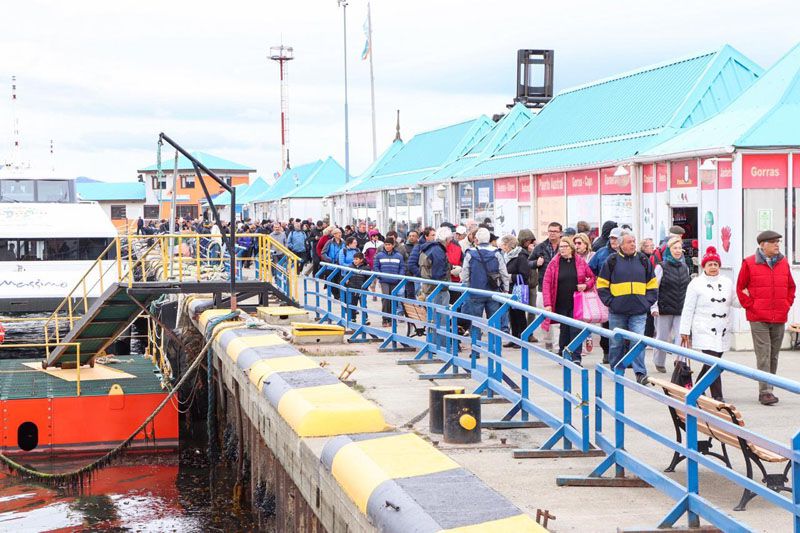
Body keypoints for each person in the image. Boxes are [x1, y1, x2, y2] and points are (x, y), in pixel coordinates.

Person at [736, 230, 796, 405]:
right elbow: (740, 288)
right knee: (764, 354)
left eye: (778, 242)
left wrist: (786, 304)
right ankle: (765, 392)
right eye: (773, 242)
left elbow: (791, 287)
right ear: (763, 245)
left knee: (774, 355)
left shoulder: (784, 262)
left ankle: (770, 387)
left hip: (779, 315)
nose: (777, 245)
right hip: (758, 317)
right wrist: (751, 306)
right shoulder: (749, 263)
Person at [597, 233, 658, 384]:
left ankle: (640, 373)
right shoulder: (611, 261)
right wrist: (611, 302)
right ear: (621, 245)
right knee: (616, 343)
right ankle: (616, 371)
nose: (633, 244)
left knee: (637, 342)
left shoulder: (643, 260)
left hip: (639, 311)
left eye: (634, 241)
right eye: (629, 242)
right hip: (617, 311)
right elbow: (602, 285)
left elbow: (652, 284)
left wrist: (646, 303)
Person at [679, 247, 739, 402]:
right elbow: (688, 308)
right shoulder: (696, 283)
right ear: (704, 266)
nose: (713, 267)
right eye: (710, 264)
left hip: (722, 329)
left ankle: (698, 388)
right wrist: (684, 330)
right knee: (714, 364)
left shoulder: (727, 282)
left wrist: (749, 298)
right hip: (704, 329)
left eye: (715, 264)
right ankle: (718, 396)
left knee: (710, 364)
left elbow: (735, 301)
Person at [542, 237, 595, 365]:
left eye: (565, 246)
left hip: (576, 302)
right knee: (564, 330)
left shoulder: (580, 262)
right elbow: (546, 284)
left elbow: (592, 278)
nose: (562, 249)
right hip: (560, 302)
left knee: (575, 329)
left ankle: (576, 357)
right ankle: (564, 354)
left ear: (571, 248)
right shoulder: (554, 263)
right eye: (561, 247)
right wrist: (547, 304)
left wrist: (585, 285)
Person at [461, 228, 510, 345]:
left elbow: (465, 274)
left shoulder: (470, 253)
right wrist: (506, 289)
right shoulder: (497, 253)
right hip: (493, 292)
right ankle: (495, 348)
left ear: (476, 239)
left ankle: (475, 348)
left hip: (475, 292)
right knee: (494, 322)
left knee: (475, 322)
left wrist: (466, 287)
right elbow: (504, 273)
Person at [651, 237, 691, 373]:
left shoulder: (685, 267)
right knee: (662, 337)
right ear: (669, 250)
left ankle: (680, 362)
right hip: (664, 307)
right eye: (675, 248)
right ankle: (659, 361)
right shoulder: (661, 267)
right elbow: (654, 288)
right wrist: (654, 306)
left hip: (681, 307)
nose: (678, 251)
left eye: (680, 248)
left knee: (681, 336)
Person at [589, 227, 624, 363]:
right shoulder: (601, 253)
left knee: (623, 325)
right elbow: (590, 269)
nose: (613, 241)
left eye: (616, 238)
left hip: (624, 295)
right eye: (612, 238)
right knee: (606, 324)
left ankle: (623, 354)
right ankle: (606, 352)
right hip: (606, 295)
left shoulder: (628, 253)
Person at [531, 222, 563, 350]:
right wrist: (536, 263)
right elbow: (528, 262)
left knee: (559, 319)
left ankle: (558, 346)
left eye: (555, 231)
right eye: (550, 231)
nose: (552, 233)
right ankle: (548, 342)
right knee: (545, 316)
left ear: (560, 233)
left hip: (560, 287)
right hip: (543, 288)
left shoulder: (565, 246)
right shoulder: (541, 247)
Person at [500, 234, 531, 343]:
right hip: (510, 289)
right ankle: (514, 339)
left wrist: (509, 277)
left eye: (504, 244)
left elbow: (525, 275)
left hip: (518, 288)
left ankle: (522, 339)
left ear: (509, 245)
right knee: (512, 314)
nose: (502, 247)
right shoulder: (506, 255)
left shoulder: (521, 256)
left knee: (519, 314)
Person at [374, 238, 405, 326]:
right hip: (384, 281)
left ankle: (391, 319)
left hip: (395, 281)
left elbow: (402, 267)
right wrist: (380, 276)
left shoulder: (399, 256)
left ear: (393, 245)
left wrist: (399, 277)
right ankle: (385, 319)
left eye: (389, 245)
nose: (387, 246)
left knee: (392, 299)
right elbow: (376, 267)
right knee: (385, 298)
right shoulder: (379, 255)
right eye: (386, 244)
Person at [344, 252, 371, 323]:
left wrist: (365, 287)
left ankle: (365, 319)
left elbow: (369, 279)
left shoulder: (366, 268)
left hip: (362, 289)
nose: (355, 261)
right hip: (352, 288)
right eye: (354, 259)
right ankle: (352, 318)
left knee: (363, 304)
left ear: (361, 260)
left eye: (356, 259)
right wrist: (347, 280)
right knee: (352, 304)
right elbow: (347, 275)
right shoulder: (350, 267)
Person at [639, 237, 657, 338]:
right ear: (643, 247)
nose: (652, 248)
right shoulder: (643, 258)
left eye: (653, 246)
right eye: (650, 246)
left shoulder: (652, 257)